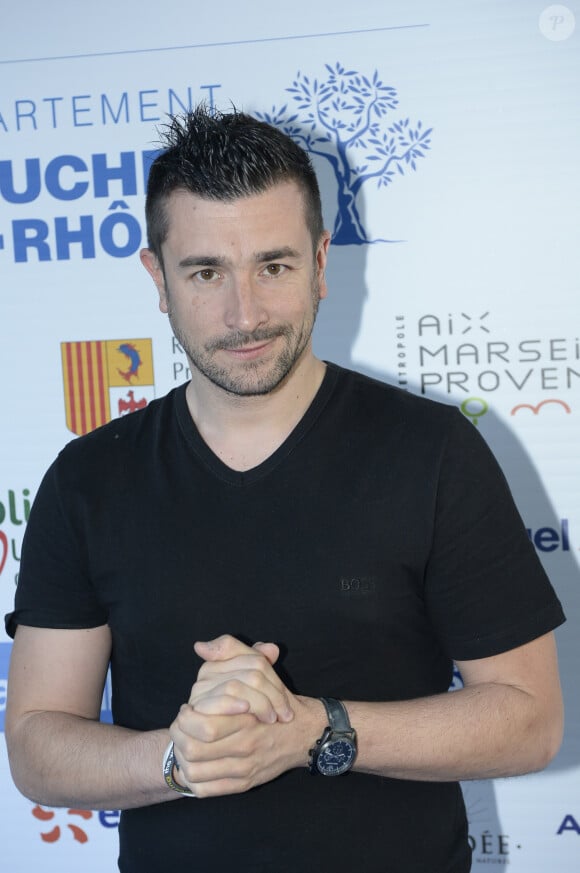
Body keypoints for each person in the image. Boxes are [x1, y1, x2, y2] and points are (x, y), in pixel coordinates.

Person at [5, 106, 565, 873]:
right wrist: (178, 757)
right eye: (206, 272)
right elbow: (37, 742)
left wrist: (312, 729)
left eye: (274, 265)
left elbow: (530, 720)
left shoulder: (433, 452)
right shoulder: (89, 479)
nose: (245, 313)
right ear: (156, 278)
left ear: (322, 262)